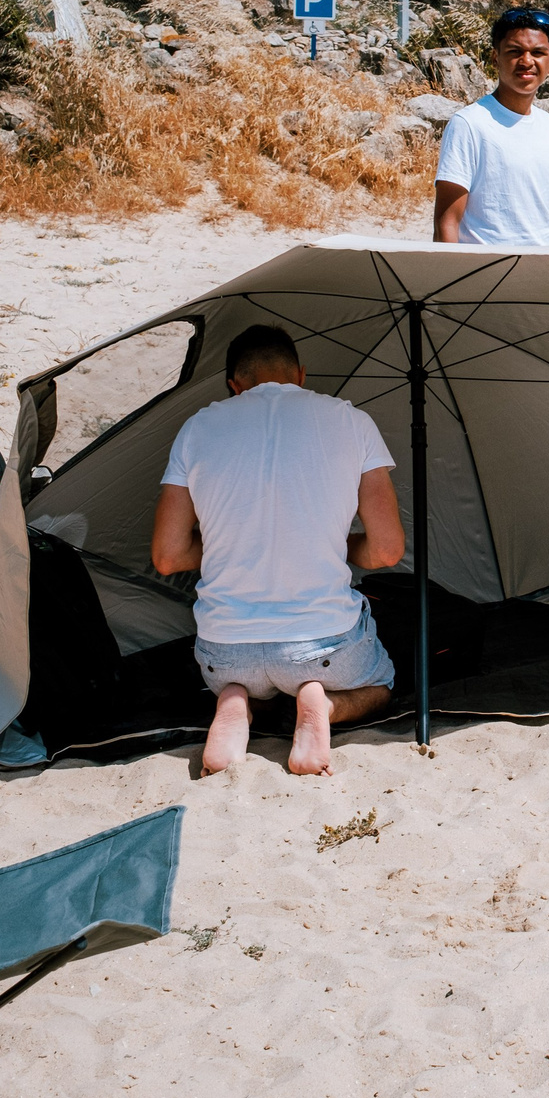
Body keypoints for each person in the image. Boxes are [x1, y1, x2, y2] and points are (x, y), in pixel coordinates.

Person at [152, 325, 405, 777]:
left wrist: (234, 542)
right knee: (382, 683)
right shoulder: (352, 421)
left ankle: (235, 701)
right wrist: (328, 541)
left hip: (224, 651)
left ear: (235, 384)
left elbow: (167, 557)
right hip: (324, 645)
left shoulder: (197, 428)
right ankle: (323, 703)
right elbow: (386, 552)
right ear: (301, 375)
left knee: (238, 676)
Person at [434, 6, 549, 248]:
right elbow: (447, 222)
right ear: (496, 57)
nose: (526, 61)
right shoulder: (470, 124)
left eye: (538, 53)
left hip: (548, 272)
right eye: (515, 51)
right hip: (490, 274)